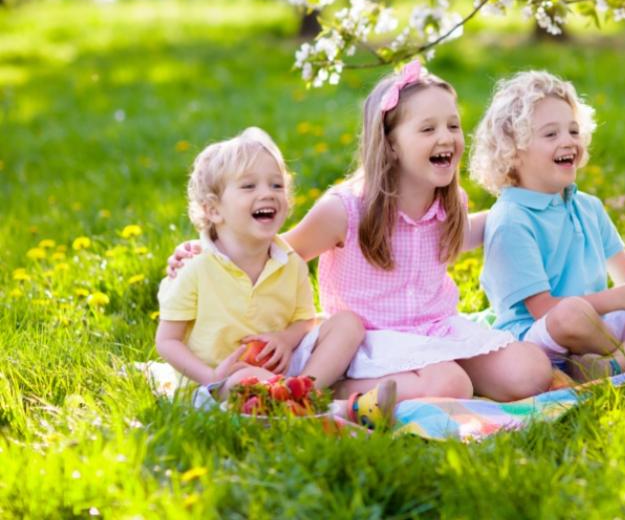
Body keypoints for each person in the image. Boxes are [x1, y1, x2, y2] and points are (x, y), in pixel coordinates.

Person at [168, 62, 553, 402]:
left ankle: (424, 379)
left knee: (532, 371)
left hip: (436, 329)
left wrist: (526, 206)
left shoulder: (449, 204)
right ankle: (333, 388)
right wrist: (208, 249)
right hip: (368, 341)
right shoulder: (345, 209)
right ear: (391, 144)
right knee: (451, 384)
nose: (446, 137)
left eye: (453, 125)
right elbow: (279, 250)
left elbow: (466, 233)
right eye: (428, 128)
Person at [469, 71, 625, 381]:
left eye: (573, 131)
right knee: (571, 313)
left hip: (597, 326)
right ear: (513, 152)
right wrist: (620, 299)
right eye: (551, 134)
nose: (568, 141)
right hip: (540, 337)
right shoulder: (511, 218)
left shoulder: (588, 206)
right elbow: (544, 308)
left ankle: (614, 363)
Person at [156, 127, 395, 427]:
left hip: (281, 366)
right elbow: (167, 341)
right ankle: (341, 409)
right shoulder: (195, 267)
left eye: (276, 185)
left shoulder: (289, 261)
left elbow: (304, 320)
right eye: (248, 186)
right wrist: (211, 376)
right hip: (220, 380)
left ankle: (305, 391)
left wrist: (285, 339)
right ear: (214, 210)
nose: (267, 193)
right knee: (244, 377)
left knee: (348, 323)